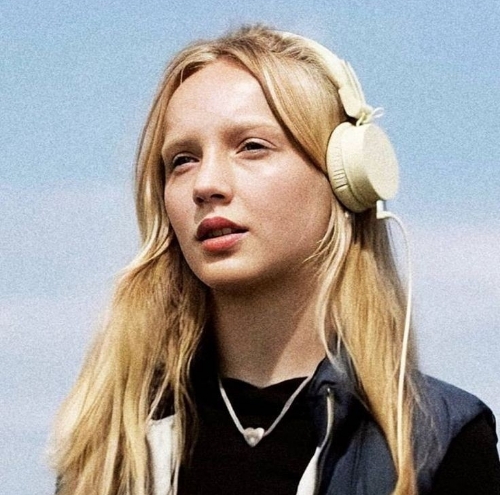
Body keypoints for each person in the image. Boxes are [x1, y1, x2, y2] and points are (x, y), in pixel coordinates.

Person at [51, 25, 500, 495]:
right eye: (183, 159)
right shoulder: (111, 449)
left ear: (344, 178)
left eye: (251, 147)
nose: (206, 184)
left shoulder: (434, 442)